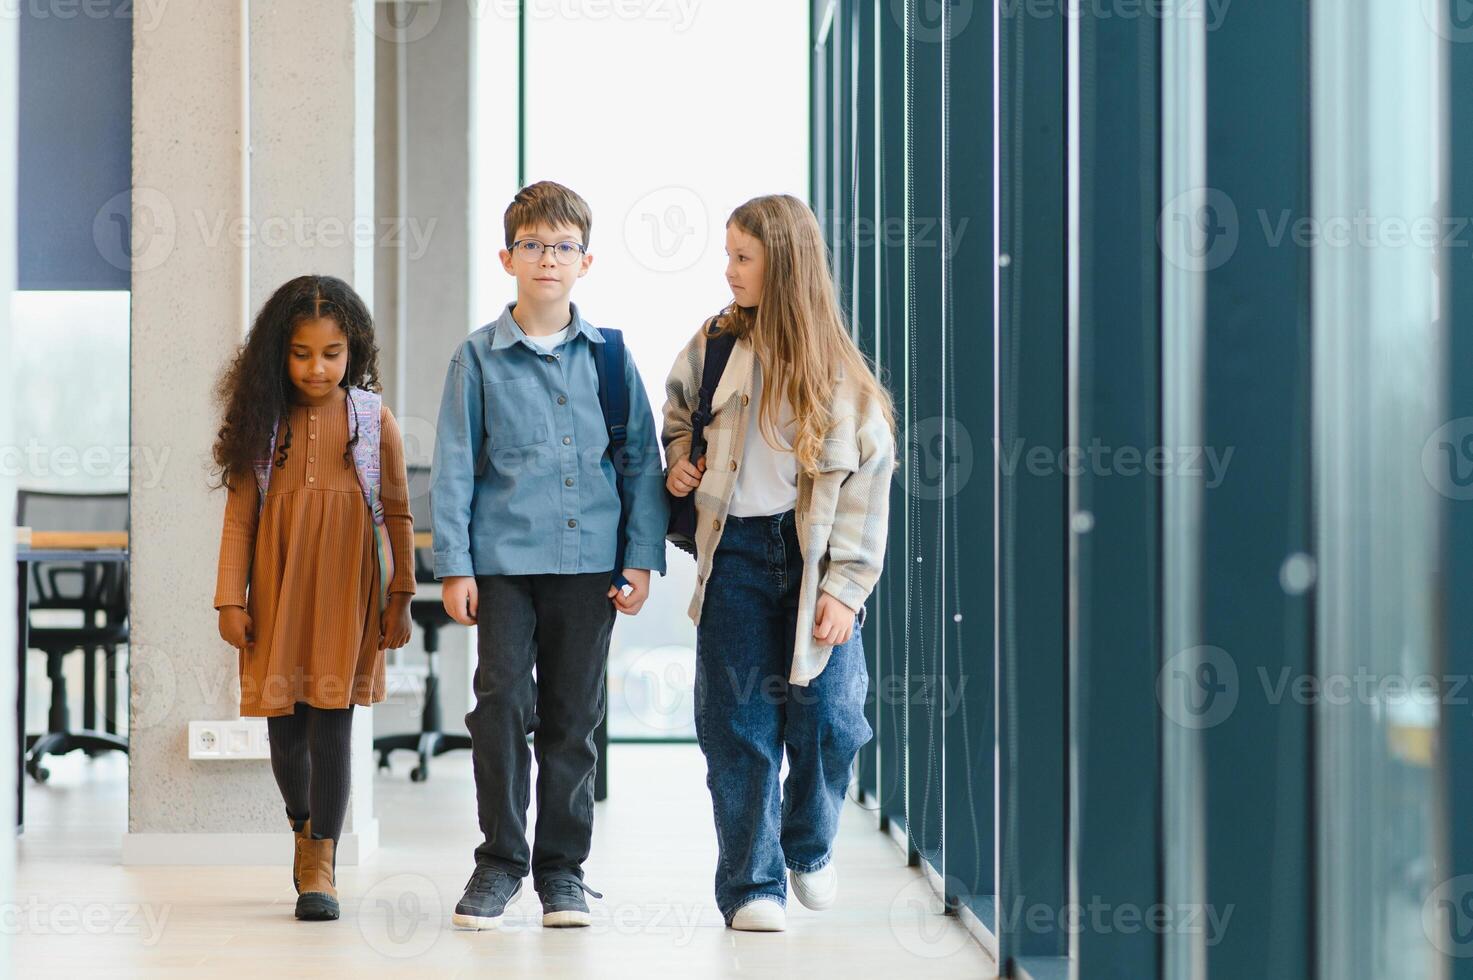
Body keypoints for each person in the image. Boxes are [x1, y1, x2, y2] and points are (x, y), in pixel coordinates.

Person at [431, 180, 669, 930]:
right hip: (501, 567)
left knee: (573, 719)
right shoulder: (476, 358)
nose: (547, 258)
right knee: (500, 705)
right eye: (532, 244)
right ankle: (498, 864)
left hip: (590, 566)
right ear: (507, 256)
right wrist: (456, 565)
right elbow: (455, 464)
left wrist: (639, 558)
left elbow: (639, 462)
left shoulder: (609, 358)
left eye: (563, 246)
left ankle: (561, 872)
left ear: (585, 262)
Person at [662, 194, 897, 932]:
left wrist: (846, 589)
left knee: (831, 720)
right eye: (728, 254)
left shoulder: (841, 376)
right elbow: (675, 416)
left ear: (784, 266)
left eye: (742, 257)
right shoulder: (712, 346)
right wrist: (679, 463)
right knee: (738, 728)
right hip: (731, 552)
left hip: (813, 565)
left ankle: (809, 845)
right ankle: (752, 887)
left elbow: (868, 487)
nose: (727, 270)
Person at [212, 274, 416, 922]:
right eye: (302, 353)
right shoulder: (262, 419)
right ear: (280, 352)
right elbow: (241, 518)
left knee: (333, 724)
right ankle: (302, 827)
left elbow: (399, 514)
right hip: (276, 588)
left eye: (331, 353)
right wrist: (229, 599)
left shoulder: (370, 417)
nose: (317, 367)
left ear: (352, 350)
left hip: (345, 589)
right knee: (284, 732)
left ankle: (321, 861)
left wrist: (401, 595)